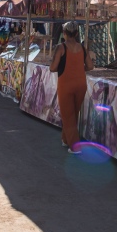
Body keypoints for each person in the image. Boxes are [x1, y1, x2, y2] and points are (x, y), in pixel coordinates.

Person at [49, 21, 94, 154]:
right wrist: (79, 68)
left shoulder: (61, 47)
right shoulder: (82, 48)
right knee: (73, 113)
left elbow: (52, 68)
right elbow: (90, 66)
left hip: (66, 84)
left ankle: (75, 146)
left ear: (64, 33)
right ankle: (65, 139)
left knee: (68, 115)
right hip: (81, 84)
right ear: (76, 34)